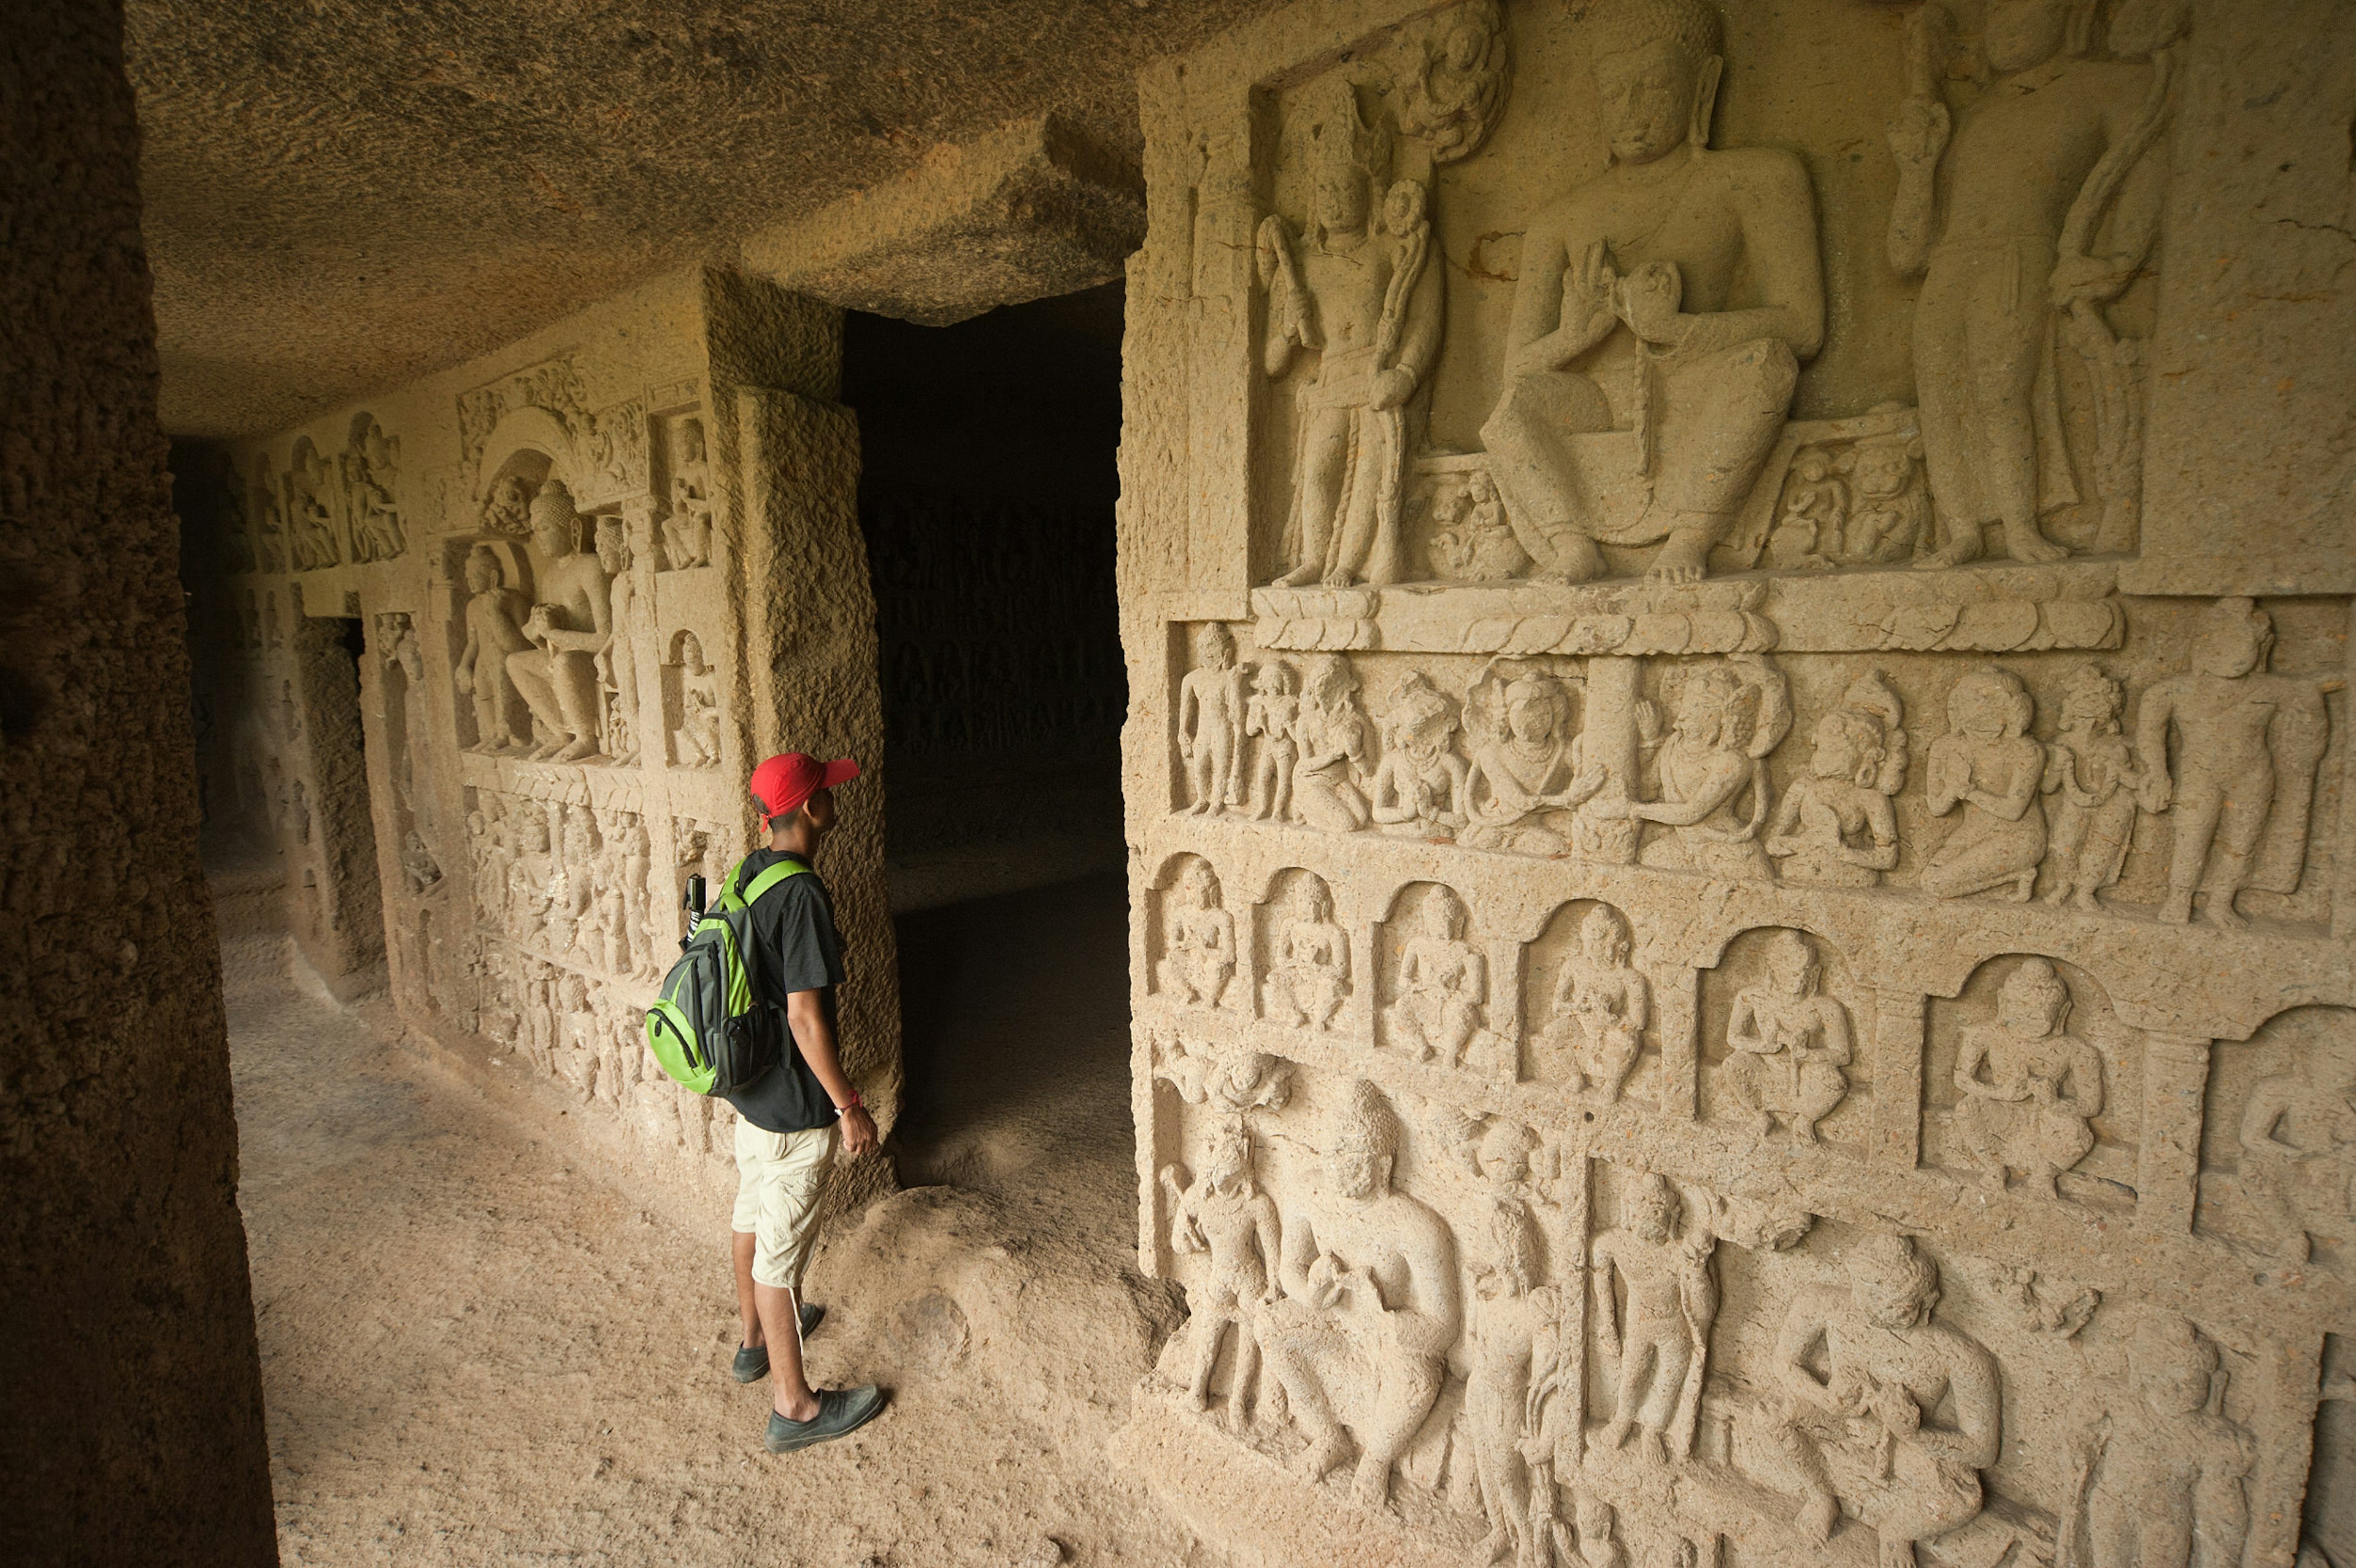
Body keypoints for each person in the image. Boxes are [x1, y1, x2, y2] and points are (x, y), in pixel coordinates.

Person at [1480, 0, 1823, 584]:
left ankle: (1691, 539)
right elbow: (1519, 368)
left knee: (1767, 364)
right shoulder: (1560, 219)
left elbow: (1803, 327)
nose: (1632, 110)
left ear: (1702, 87)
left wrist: (1674, 331)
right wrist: (1575, 336)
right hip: (1597, 400)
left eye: (1654, 88)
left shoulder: (1758, 178)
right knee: (1513, 410)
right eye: (1616, 94)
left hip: (1695, 388)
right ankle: (1571, 544)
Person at [723, 751, 885, 1454]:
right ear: (811, 810)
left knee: (750, 1212)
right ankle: (795, 1406)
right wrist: (847, 1104)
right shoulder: (804, 895)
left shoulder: (750, 872)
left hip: (750, 1091)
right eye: (827, 792)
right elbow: (804, 1018)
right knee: (780, 1259)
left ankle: (753, 1343)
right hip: (793, 1104)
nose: (833, 801)